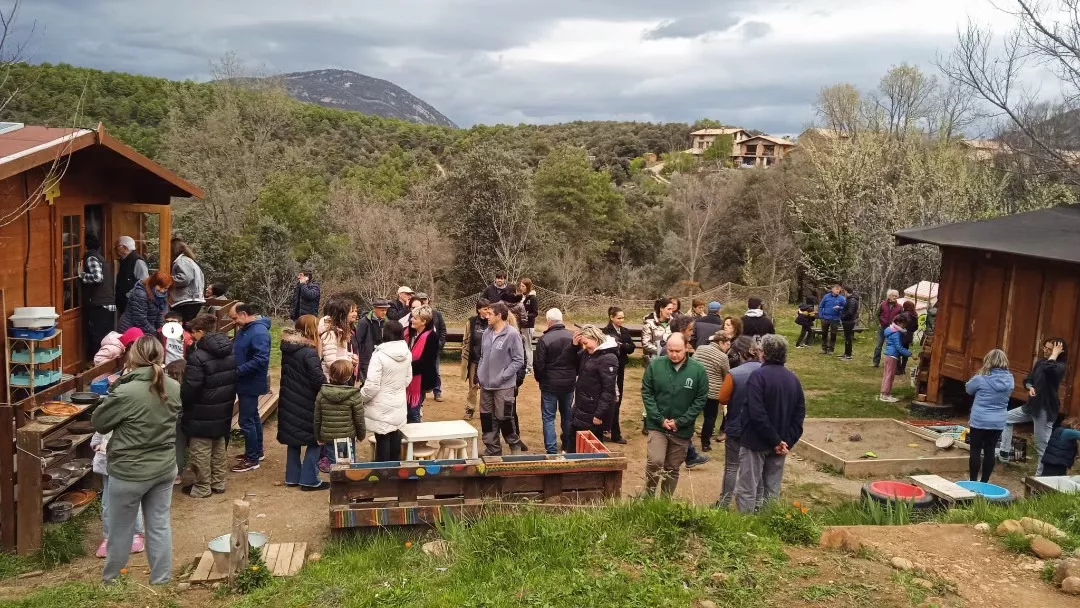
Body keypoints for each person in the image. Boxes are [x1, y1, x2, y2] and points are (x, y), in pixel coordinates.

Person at [91, 336, 180, 585]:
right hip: (164, 466)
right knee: (159, 525)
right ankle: (161, 580)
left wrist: (115, 391)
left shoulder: (125, 390)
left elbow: (99, 422)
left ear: (133, 357)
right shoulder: (173, 386)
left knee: (121, 529)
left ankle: (111, 581)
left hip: (130, 471)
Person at [735, 335, 805, 513]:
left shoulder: (757, 376)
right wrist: (786, 441)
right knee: (772, 491)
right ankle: (769, 527)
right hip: (780, 445)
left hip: (755, 442)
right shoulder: (793, 379)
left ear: (763, 353)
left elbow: (756, 413)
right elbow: (799, 417)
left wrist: (777, 441)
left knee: (748, 489)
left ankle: (746, 528)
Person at [641, 333, 709, 497]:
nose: (674, 354)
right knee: (655, 461)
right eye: (670, 350)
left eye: (678, 350)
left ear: (686, 347)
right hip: (657, 425)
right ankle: (648, 497)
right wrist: (659, 418)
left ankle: (665, 502)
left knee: (672, 467)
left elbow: (700, 400)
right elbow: (647, 393)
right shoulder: (655, 366)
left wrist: (681, 421)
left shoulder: (698, 371)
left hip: (681, 429)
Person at [179, 314, 236, 498]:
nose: (193, 336)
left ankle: (202, 487)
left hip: (201, 410)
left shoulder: (198, 357)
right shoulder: (230, 350)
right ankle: (218, 483)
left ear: (200, 332)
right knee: (218, 446)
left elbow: (191, 387)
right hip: (223, 406)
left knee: (200, 449)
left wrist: (185, 403)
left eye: (194, 332)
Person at [999, 338, 1069, 474]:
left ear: (1059, 351)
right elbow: (1028, 379)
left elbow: (1050, 368)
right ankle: (1004, 454)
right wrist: (1030, 387)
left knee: (1041, 446)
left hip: (1045, 408)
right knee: (1004, 418)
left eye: (1050, 349)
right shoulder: (1041, 363)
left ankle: (1040, 478)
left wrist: (1054, 355)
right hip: (1031, 406)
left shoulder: (1060, 367)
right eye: (1045, 348)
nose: (1046, 351)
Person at [277, 315, 328, 490]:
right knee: (315, 440)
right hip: (307, 401)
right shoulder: (309, 352)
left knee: (294, 439)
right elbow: (317, 379)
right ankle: (309, 479)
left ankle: (292, 477)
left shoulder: (289, 348)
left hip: (290, 400)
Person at [716, 336, 762, 508]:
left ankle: (725, 503)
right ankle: (757, 503)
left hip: (737, 426)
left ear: (740, 354)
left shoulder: (735, 374)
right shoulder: (766, 370)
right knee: (758, 467)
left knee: (732, 467)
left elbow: (722, 399)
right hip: (760, 428)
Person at [558, 325, 619, 449]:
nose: (584, 347)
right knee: (572, 444)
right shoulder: (588, 353)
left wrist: (599, 415)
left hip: (593, 413)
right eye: (583, 344)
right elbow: (567, 362)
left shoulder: (608, 359)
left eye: (585, 343)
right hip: (580, 407)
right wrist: (574, 346)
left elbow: (608, 390)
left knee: (589, 448)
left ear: (595, 338)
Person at [477, 302, 526, 455]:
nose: (486, 316)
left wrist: (503, 376)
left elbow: (519, 360)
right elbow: (483, 355)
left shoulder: (512, 335)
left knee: (503, 416)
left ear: (499, 316)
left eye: (490, 314)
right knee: (486, 417)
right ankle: (492, 448)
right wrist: (480, 373)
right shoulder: (486, 333)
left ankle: (514, 444)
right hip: (486, 384)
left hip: (504, 386)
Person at [361, 320, 411, 462]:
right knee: (396, 438)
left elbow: (372, 386)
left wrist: (361, 397)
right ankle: (395, 474)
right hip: (398, 403)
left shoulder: (378, 355)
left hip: (380, 405)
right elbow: (408, 378)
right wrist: (396, 388)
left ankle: (382, 475)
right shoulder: (407, 353)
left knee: (382, 440)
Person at [230, 303, 271, 473]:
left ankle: (252, 459)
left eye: (235, 318)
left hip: (250, 382)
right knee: (253, 417)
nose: (234, 322)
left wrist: (239, 370)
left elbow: (261, 358)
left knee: (246, 421)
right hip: (246, 381)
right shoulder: (248, 329)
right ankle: (256, 451)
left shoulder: (258, 332)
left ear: (245, 314)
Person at [965, 349, 1014, 483]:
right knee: (990, 450)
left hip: (979, 420)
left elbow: (968, 389)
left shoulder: (980, 378)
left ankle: (973, 480)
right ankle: (985, 482)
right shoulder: (1010, 379)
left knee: (975, 450)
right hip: (998, 421)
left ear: (988, 361)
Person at [535, 308, 576, 454]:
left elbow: (539, 365)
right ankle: (567, 445)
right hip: (569, 383)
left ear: (549, 321)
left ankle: (551, 450)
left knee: (548, 418)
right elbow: (578, 360)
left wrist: (541, 379)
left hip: (549, 384)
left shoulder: (544, 339)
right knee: (567, 415)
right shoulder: (572, 338)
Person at [314, 360, 366, 475]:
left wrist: (318, 436)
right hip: (348, 436)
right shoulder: (354, 395)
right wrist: (361, 434)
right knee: (350, 462)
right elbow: (359, 418)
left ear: (331, 374)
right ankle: (350, 485)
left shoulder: (322, 394)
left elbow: (317, 418)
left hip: (329, 436)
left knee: (333, 463)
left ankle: (336, 485)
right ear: (348, 377)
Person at [80, 233, 117, 360]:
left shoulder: (91, 258)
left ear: (84, 247)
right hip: (108, 302)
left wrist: (81, 275)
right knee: (106, 336)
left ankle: (100, 365)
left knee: (99, 337)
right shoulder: (101, 257)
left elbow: (97, 277)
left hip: (100, 303)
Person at [694, 331, 731, 452]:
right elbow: (727, 375)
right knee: (710, 418)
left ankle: (685, 436)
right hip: (713, 392)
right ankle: (705, 443)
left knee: (692, 414)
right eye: (727, 343)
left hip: (697, 389)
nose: (729, 346)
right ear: (720, 342)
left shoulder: (700, 348)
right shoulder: (723, 357)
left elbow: (693, 363)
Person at [602, 307, 635, 445]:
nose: (621, 320)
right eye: (619, 318)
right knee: (607, 398)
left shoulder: (625, 331)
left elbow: (631, 348)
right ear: (611, 317)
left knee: (617, 398)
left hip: (620, 367)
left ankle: (613, 431)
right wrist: (623, 346)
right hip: (608, 368)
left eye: (623, 318)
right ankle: (607, 429)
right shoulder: (606, 332)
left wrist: (623, 346)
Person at [404, 305, 440, 423]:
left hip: (421, 380)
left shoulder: (431, 336)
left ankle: (417, 439)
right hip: (412, 378)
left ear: (424, 321)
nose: (412, 320)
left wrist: (406, 368)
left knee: (414, 413)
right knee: (409, 412)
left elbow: (427, 362)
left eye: (415, 318)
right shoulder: (413, 335)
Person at [461, 299, 491, 420]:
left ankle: (486, 410)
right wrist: (465, 358)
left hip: (489, 361)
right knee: (473, 386)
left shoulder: (492, 321)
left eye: (489, 308)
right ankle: (470, 408)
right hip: (474, 360)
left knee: (487, 387)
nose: (487, 311)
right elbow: (466, 340)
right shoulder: (471, 322)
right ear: (479, 310)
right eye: (485, 309)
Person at [117, 271, 173, 336]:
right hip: (130, 330)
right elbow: (140, 320)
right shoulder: (140, 294)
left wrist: (162, 330)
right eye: (160, 287)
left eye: (166, 288)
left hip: (144, 329)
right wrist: (155, 333)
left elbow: (159, 315)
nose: (162, 291)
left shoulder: (159, 295)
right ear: (153, 283)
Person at [415, 293, 447, 402]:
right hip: (421, 347)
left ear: (428, 300)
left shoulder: (437, 314)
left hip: (434, 346)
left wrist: (440, 343)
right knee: (421, 369)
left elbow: (442, 330)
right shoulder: (416, 316)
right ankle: (422, 389)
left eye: (425, 300)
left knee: (436, 370)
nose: (423, 302)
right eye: (421, 300)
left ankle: (437, 391)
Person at [318, 296, 358, 379]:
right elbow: (330, 362)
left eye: (356, 311)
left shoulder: (340, 332)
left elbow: (340, 354)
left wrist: (350, 356)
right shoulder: (331, 335)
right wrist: (349, 361)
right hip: (332, 379)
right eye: (352, 311)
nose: (355, 314)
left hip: (340, 377)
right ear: (343, 315)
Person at [353, 298, 390, 384]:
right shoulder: (364, 322)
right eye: (382, 310)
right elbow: (358, 341)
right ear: (375, 309)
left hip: (382, 359)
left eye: (385, 310)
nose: (384, 312)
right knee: (367, 384)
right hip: (366, 360)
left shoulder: (387, 323)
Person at [168, 239, 205, 323]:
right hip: (192, 299)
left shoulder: (181, 261)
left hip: (186, 300)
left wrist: (167, 280)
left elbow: (185, 278)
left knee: (180, 326)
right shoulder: (189, 261)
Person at [114, 236, 148, 317]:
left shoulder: (137, 261)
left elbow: (143, 281)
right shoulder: (124, 260)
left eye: (117, 246)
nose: (115, 249)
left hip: (133, 302)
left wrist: (128, 295)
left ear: (125, 248)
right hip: (124, 302)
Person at [879, 316, 910, 403]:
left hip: (889, 355)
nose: (904, 326)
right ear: (899, 323)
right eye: (904, 324)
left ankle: (884, 393)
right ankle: (886, 394)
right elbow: (899, 347)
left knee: (886, 375)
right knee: (890, 376)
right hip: (893, 356)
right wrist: (910, 354)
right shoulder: (896, 333)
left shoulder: (890, 330)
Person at [872, 290, 903, 367]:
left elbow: (902, 318)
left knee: (892, 346)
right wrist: (878, 323)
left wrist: (898, 326)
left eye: (896, 296)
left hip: (893, 329)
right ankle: (876, 362)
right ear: (889, 296)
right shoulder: (883, 304)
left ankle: (892, 364)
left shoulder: (899, 307)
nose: (894, 297)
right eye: (893, 295)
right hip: (882, 327)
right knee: (878, 345)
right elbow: (876, 314)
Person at [642, 297, 675, 366]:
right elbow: (646, 343)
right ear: (661, 309)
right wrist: (662, 351)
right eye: (668, 309)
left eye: (672, 309)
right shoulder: (649, 323)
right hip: (653, 360)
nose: (671, 312)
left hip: (670, 359)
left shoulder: (674, 322)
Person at [518, 279, 539, 375]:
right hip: (520, 325)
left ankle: (529, 368)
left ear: (528, 287)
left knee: (528, 347)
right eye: (520, 285)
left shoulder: (533, 298)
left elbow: (535, 313)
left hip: (529, 326)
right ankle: (522, 364)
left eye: (523, 286)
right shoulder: (522, 297)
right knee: (521, 346)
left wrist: (525, 316)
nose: (521, 287)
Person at [818, 285, 846, 356]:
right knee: (824, 333)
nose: (837, 291)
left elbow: (845, 308)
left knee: (833, 334)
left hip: (835, 319)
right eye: (836, 289)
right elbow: (821, 306)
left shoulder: (842, 298)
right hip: (825, 318)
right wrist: (821, 316)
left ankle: (831, 349)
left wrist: (840, 308)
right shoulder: (826, 296)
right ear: (832, 290)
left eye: (839, 290)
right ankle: (824, 348)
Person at [896, 300, 919, 374]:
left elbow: (896, 323)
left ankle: (899, 369)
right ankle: (903, 369)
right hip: (909, 336)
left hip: (902, 335)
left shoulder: (903, 315)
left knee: (898, 351)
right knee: (905, 351)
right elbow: (916, 327)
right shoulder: (915, 315)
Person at [840, 286, 860, 361]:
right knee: (847, 338)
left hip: (849, 321)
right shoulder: (849, 299)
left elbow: (850, 312)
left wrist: (842, 317)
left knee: (848, 338)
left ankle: (848, 355)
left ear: (846, 291)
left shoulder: (852, 300)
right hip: (847, 320)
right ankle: (846, 353)